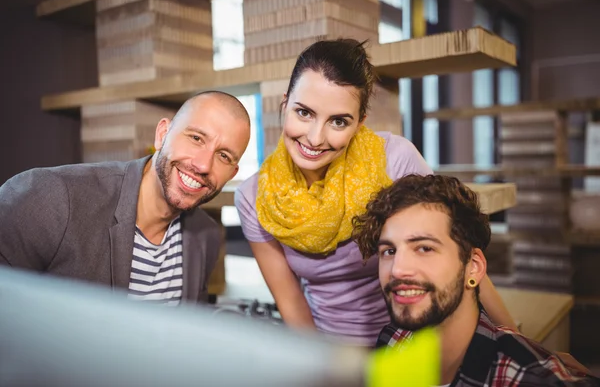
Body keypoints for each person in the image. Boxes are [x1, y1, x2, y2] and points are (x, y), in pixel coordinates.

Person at [234, 38, 517, 347]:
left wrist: (520, 344)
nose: (315, 138)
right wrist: (325, 372)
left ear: (359, 124)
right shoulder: (255, 197)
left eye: (338, 121)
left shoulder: (394, 160)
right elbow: (291, 303)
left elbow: (463, 257)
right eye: (304, 113)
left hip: (415, 341)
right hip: (328, 351)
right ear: (285, 103)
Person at [0, 91, 251, 305]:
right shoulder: (50, 196)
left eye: (224, 156)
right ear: (162, 134)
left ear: (232, 173)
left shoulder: (205, 235)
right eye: (196, 138)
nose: (203, 165)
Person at [353, 174, 600, 385]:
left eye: (424, 248)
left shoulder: (529, 378)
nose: (398, 270)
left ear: (473, 267)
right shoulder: (392, 341)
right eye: (389, 251)